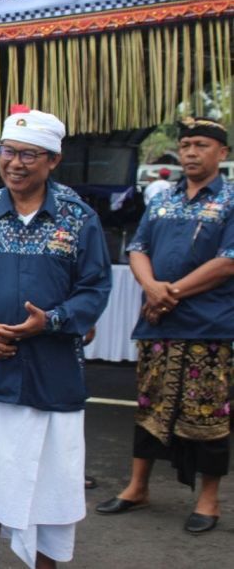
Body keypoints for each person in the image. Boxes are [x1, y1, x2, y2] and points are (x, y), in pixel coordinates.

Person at [0, 108, 112, 569]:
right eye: (8, 152)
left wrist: (52, 321)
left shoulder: (79, 218)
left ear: (53, 160)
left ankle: (44, 565)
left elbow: (95, 288)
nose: (15, 163)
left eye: (28, 155)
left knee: (51, 483)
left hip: (52, 376)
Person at [96, 117, 233, 534]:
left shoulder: (229, 200)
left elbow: (228, 261)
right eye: (187, 144)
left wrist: (168, 293)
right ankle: (137, 487)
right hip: (158, 325)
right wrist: (152, 288)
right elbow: (138, 248)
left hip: (208, 326)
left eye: (201, 145)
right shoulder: (162, 199)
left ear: (221, 153)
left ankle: (208, 500)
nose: (191, 152)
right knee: (148, 408)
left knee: (208, 414)